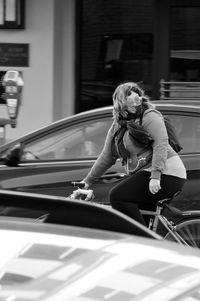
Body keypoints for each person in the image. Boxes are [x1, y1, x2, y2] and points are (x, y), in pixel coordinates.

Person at [79, 82, 187, 225]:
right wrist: (87, 181)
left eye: (136, 92)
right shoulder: (117, 127)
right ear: (121, 101)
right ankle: (147, 243)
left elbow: (161, 144)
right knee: (141, 217)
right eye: (129, 93)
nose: (135, 95)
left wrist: (156, 175)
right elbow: (107, 157)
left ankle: (141, 240)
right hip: (147, 173)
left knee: (118, 196)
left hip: (167, 174)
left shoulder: (149, 116)